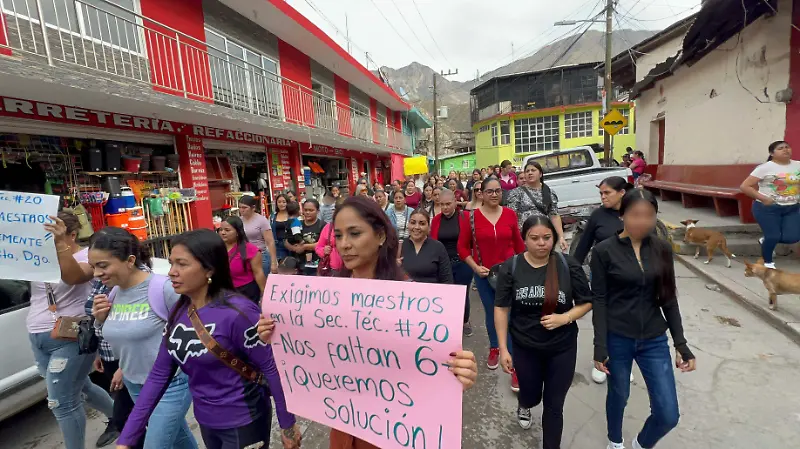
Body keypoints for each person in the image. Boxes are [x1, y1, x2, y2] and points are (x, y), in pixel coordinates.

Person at [255, 196, 479, 449]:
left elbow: (433, 369)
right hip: (343, 426)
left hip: (395, 432)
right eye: (338, 236)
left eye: (355, 233)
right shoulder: (325, 297)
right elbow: (309, 353)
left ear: (381, 235)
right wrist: (275, 336)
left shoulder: (411, 301)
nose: (344, 245)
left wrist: (460, 374)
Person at [115, 229, 300, 449]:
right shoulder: (178, 312)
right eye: (171, 263)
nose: (172, 272)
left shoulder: (238, 312)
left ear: (209, 269)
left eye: (182, 264)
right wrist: (127, 438)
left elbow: (271, 367)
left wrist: (287, 424)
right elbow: (158, 376)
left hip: (244, 420)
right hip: (207, 422)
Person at [591, 189, 696, 449]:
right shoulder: (604, 251)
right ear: (622, 215)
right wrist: (600, 346)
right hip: (618, 337)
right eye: (636, 215)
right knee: (619, 394)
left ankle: (640, 445)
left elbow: (669, 298)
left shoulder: (661, 248)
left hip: (654, 339)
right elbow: (600, 301)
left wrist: (681, 344)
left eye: (649, 215)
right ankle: (615, 441)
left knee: (668, 414)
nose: (642, 221)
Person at [89, 228, 198, 449]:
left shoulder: (164, 288)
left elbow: (194, 333)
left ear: (129, 260)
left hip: (172, 383)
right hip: (135, 384)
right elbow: (122, 336)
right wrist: (100, 320)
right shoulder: (113, 293)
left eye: (103, 266)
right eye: (93, 267)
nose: (96, 274)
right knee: (178, 438)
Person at [495, 215, 592, 448]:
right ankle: (525, 403)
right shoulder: (512, 267)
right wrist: (503, 348)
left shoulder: (568, 265)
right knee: (530, 395)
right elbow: (501, 307)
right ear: (524, 239)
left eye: (547, 237)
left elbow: (587, 301)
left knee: (554, 405)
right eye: (535, 238)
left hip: (562, 347)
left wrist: (565, 317)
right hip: (526, 346)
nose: (542, 243)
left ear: (555, 237)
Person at [30, 211, 114, 449]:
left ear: (72, 235)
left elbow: (73, 277)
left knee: (61, 402)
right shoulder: (36, 257)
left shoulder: (86, 255)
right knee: (82, 387)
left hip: (72, 335)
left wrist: (59, 247)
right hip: (38, 333)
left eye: (55, 234)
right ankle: (122, 419)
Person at [458, 178, 525, 391]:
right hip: (484, 274)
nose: (494, 195)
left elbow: (519, 245)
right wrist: (475, 267)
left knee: (510, 314)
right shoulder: (471, 218)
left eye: (498, 191)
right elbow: (462, 248)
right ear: (481, 194)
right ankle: (495, 346)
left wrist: (524, 268)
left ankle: (514, 364)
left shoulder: (510, 215)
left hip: (510, 274)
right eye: (489, 191)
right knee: (491, 313)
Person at [740, 140, 800, 268]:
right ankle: (768, 263)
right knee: (772, 235)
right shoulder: (765, 168)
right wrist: (763, 198)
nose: (785, 150)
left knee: (792, 238)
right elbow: (745, 186)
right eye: (780, 148)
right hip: (767, 208)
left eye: (787, 147)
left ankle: (765, 241)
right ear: (772, 153)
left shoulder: (798, 165)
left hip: (792, 207)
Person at [431, 189, 474, 336]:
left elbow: (473, 241)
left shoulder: (465, 217)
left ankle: (465, 320)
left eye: (448, 204)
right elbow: (432, 242)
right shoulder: (436, 220)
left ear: (455, 202)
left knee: (462, 293)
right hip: (443, 264)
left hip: (462, 262)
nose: (445, 208)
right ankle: (449, 322)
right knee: (445, 294)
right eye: (442, 205)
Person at [508, 160, 568, 252]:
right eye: (527, 171)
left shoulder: (549, 193)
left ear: (540, 174)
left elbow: (554, 215)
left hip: (545, 237)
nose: (530, 173)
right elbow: (512, 216)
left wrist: (561, 237)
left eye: (533, 170)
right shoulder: (516, 193)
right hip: (525, 238)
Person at [218, 216, 266, 303]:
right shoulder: (217, 249)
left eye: (227, 230)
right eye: (220, 230)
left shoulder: (250, 250)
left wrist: (265, 295)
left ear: (237, 232)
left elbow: (258, 273)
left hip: (246, 292)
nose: (223, 233)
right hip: (225, 291)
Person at [401, 208, 453, 285]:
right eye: (413, 223)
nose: (416, 227)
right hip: (404, 295)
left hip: (432, 295)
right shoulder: (398, 247)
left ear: (429, 227)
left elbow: (447, 280)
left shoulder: (438, 247)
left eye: (422, 224)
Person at [238, 196, 278, 277]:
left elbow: (270, 242)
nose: (241, 210)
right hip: (244, 256)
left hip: (260, 256)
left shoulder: (261, 220)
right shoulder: (239, 220)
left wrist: (274, 262)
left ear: (253, 208)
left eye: (244, 207)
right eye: (240, 207)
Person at [286, 199, 326, 275]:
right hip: (299, 266)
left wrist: (304, 247)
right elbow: (286, 241)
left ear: (317, 211)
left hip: (317, 267)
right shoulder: (297, 223)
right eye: (306, 210)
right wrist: (294, 248)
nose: (307, 212)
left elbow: (323, 244)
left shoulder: (323, 225)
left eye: (311, 210)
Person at [270, 195, 291, 262]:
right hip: (278, 245)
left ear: (288, 203)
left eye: (284, 202)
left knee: (293, 264)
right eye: (279, 202)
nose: (281, 204)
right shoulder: (273, 216)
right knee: (282, 265)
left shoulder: (292, 215)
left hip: (292, 244)